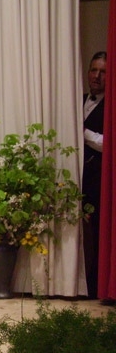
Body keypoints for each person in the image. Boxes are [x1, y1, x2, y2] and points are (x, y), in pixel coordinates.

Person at [82, 51, 106, 300]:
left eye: (103, 72)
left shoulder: (111, 106)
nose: (97, 76)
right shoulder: (77, 99)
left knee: (97, 235)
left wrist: (83, 132)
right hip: (74, 179)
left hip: (97, 181)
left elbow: (107, 143)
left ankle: (95, 286)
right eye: (93, 70)